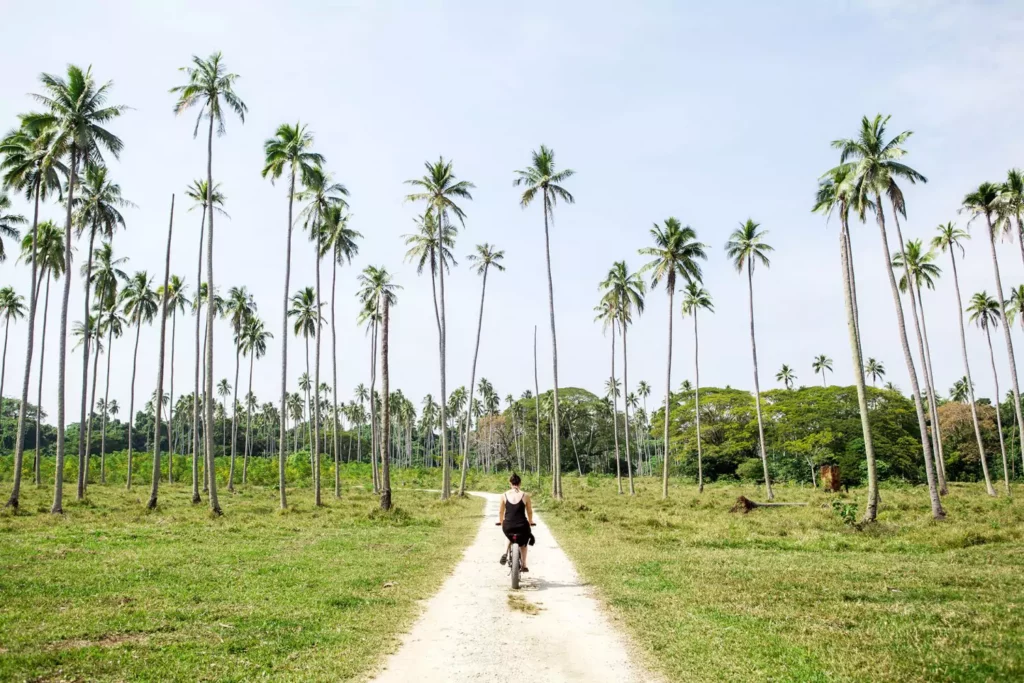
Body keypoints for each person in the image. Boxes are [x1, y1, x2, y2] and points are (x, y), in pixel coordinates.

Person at [497, 473, 536, 571]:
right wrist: (530, 521)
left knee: (508, 535)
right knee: (523, 543)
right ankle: (524, 564)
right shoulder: (525, 495)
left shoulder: (504, 495)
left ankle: (505, 552)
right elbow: (529, 511)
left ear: (510, 483)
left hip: (508, 525)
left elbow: (501, 511)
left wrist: (501, 521)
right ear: (520, 483)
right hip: (522, 526)